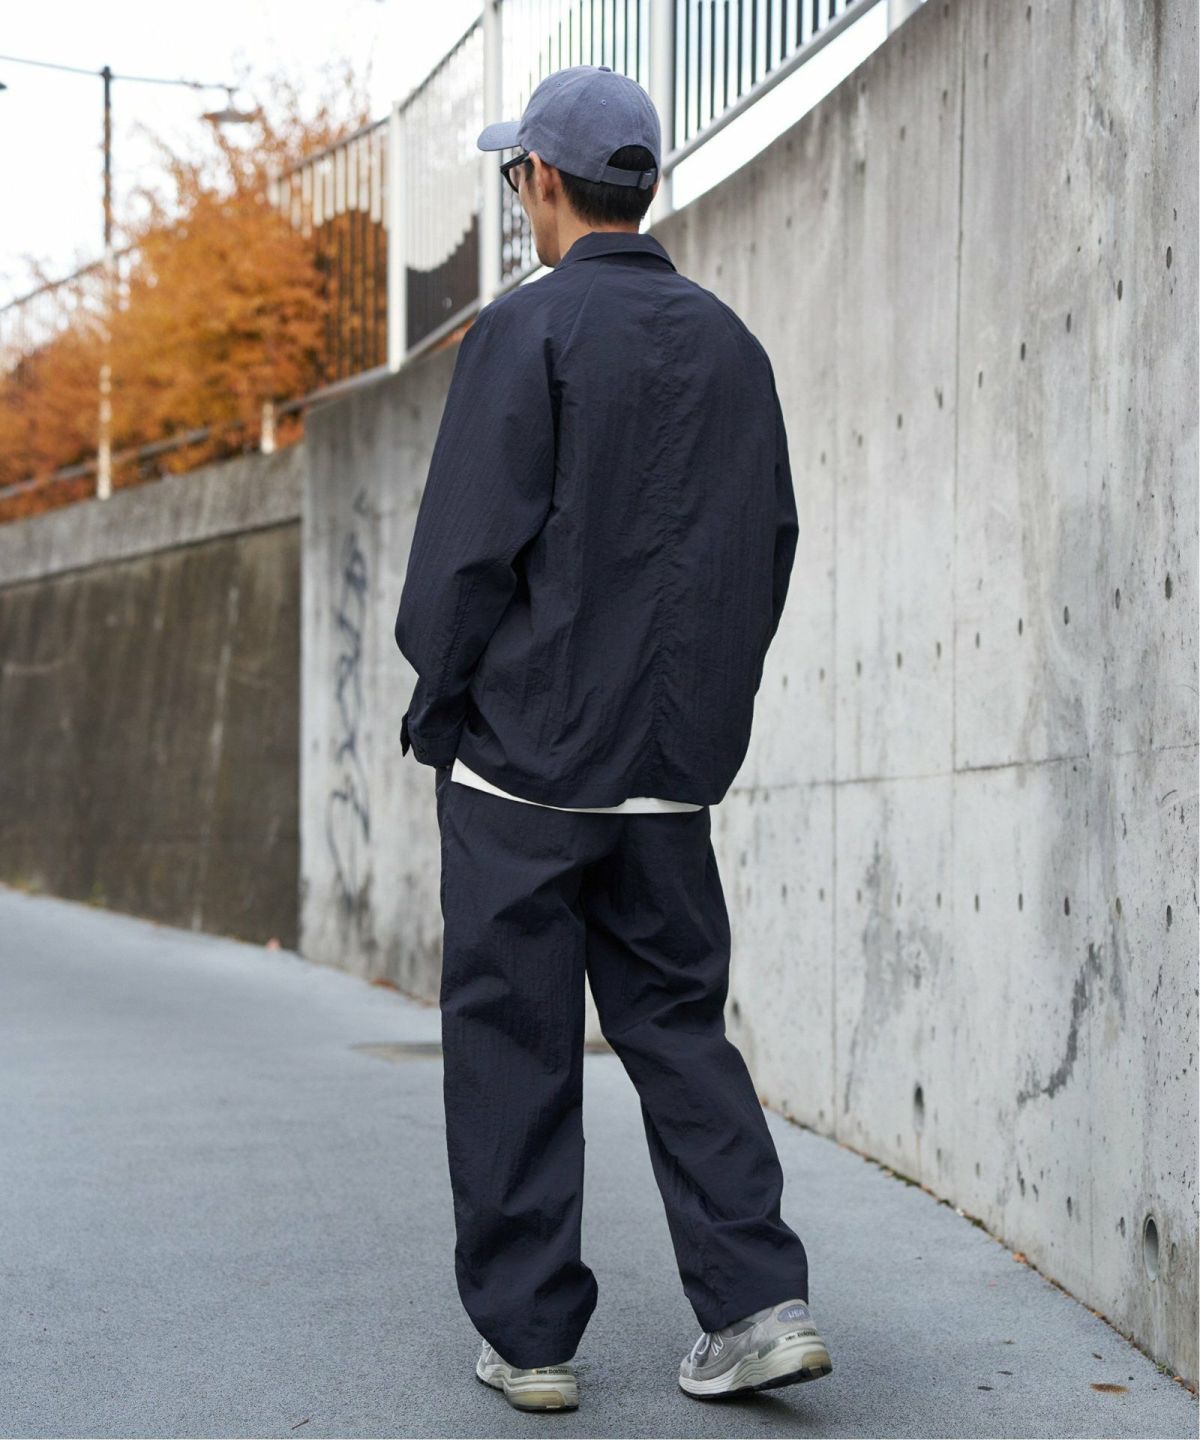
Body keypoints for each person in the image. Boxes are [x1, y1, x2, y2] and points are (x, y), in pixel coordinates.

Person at [393, 62, 833, 1414]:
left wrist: (441, 705)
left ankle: (532, 1341)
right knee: (680, 1028)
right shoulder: (730, 344)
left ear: (539, 179)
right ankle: (756, 1305)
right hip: (665, 774)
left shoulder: (524, 334)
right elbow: (766, 550)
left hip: (523, 769)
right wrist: (700, 721)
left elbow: (464, 555)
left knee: (513, 1041)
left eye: (513, 177)